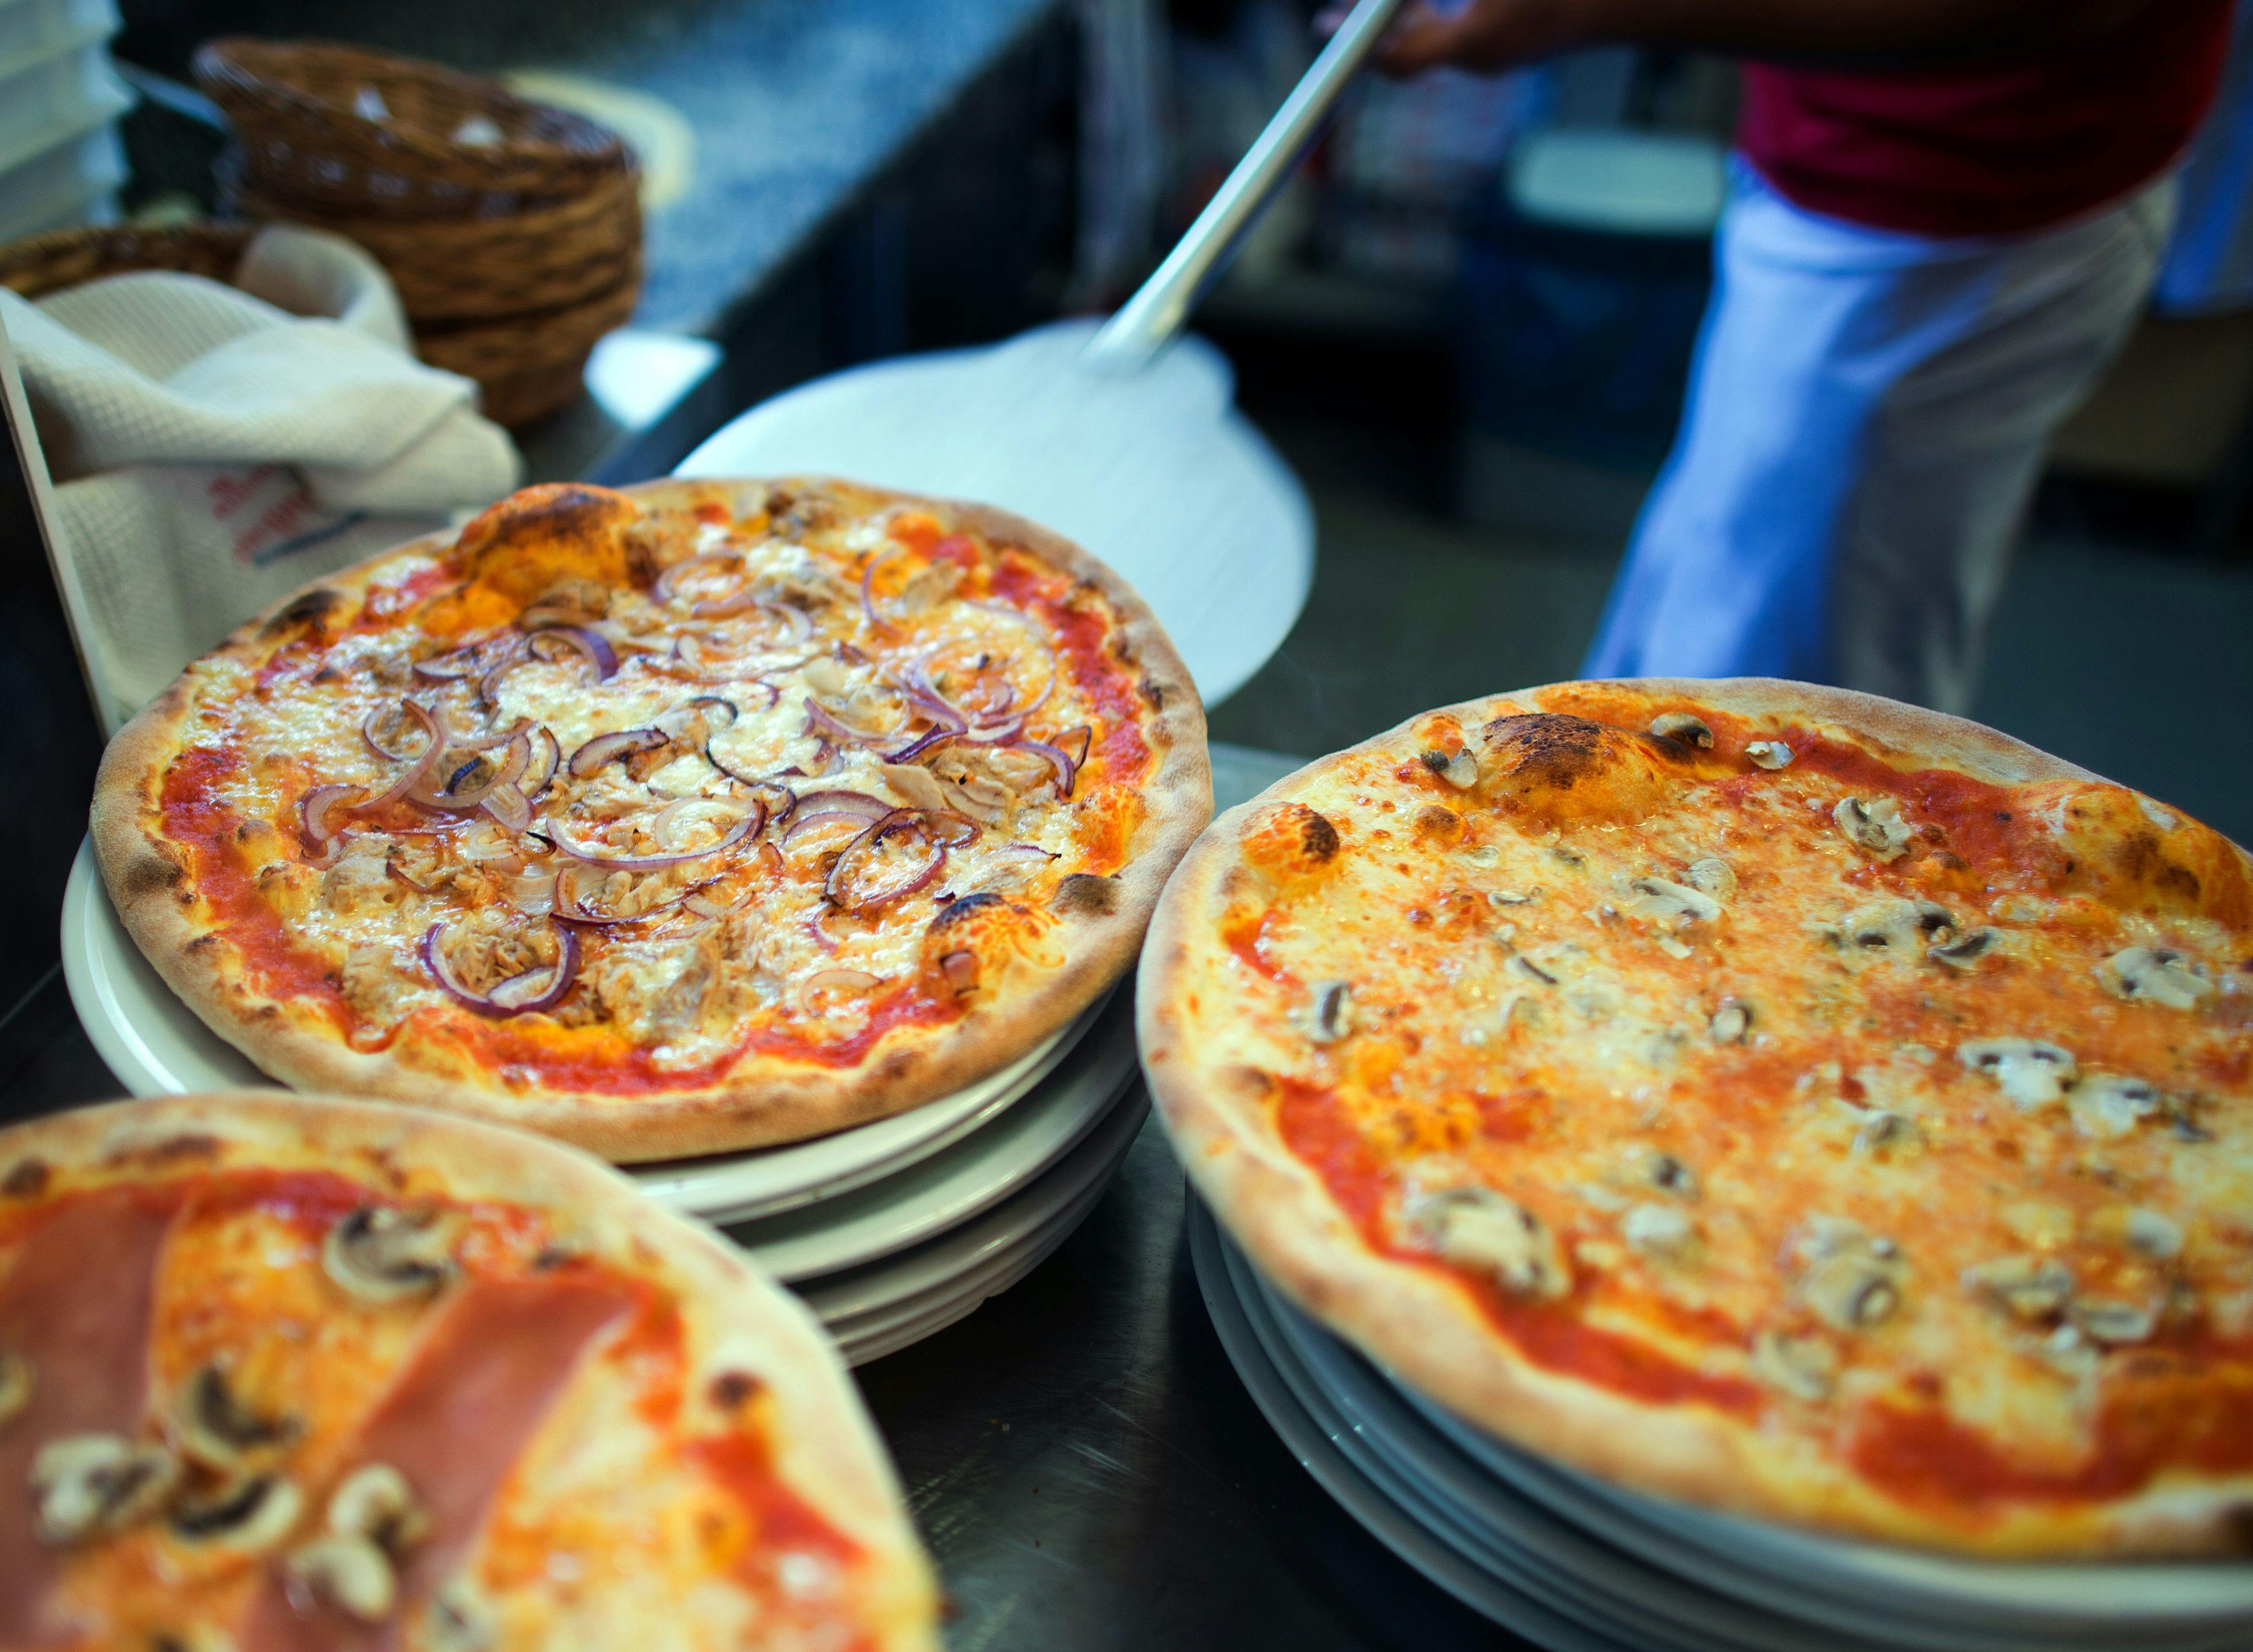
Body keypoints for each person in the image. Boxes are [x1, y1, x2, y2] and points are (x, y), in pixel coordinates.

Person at [1364, 0, 2234, 713]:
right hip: (1834, 161)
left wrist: (1586, 10)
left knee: (1794, 713)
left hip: (1958, 218)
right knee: (1676, 657)